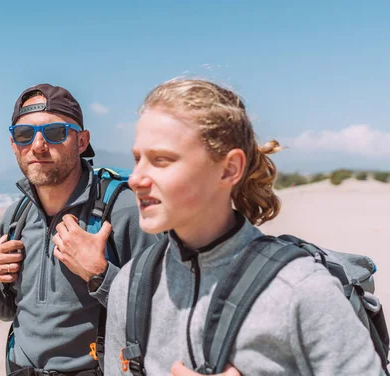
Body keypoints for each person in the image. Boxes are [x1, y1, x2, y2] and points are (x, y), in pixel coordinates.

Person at [104, 78, 385, 375]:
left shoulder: (301, 289)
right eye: (137, 159)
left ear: (229, 168)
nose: (136, 178)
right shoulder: (130, 284)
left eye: (161, 160)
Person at [0, 83, 158, 375]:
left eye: (55, 133)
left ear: (81, 142)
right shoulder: (16, 217)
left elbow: (162, 313)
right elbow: (9, 310)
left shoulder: (125, 211)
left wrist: (100, 276)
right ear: (14, 144)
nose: (38, 145)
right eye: (24, 135)